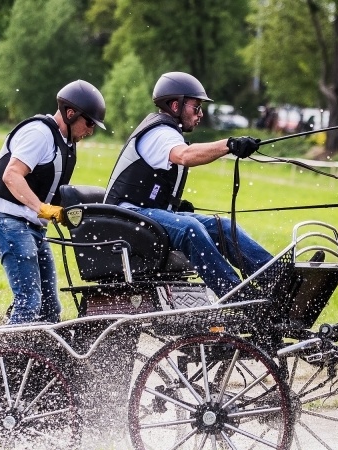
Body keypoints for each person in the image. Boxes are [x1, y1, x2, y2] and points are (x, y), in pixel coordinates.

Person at [104, 71, 271, 298]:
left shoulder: (168, 132)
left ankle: (275, 277)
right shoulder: (160, 132)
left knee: (221, 226)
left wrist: (174, 207)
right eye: (196, 107)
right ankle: (237, 296)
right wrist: (229, 144)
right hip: (127, 219)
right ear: (175, 105)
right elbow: (185, 155)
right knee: (189, 229)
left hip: (141, 215)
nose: (200, 114)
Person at [0, 80, 106, 324]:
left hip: (31, 228)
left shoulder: (65, 143)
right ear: (70, 113)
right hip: (9, 223)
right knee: (30, 303)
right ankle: (2, 358)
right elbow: (11, 175)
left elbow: (50, 189)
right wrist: (44, 209)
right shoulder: (40, 133)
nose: (90, 130)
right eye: (89, 122)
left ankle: (37, 360)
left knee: (50, 310)